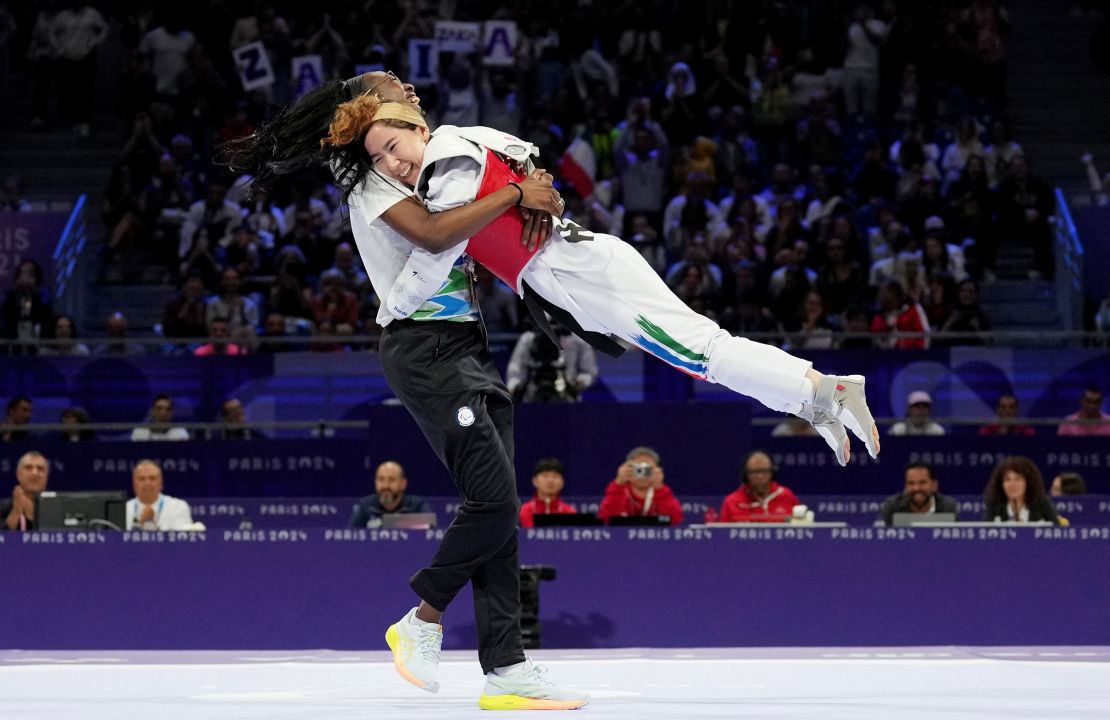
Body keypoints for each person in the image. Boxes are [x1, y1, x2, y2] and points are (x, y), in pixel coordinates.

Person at [225, 70, 586, 709]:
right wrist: (513, 196)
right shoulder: (363, 179)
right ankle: (422, 618)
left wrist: (534, 184)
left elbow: (511, 161)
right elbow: (435, 234)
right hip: (423, 351)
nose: (408, 97)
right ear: (368, 111)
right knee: (497, 501)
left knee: (497, 510)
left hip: (468, 342)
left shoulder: (434, 159)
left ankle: (507, 670)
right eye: (391, 90)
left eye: (407, 109)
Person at [336, 97, 880, 468]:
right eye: (379, 157)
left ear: (418, 129)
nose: (392, 161)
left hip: (584, 272)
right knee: (701, 356)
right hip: (573, 279)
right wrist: (530, 182)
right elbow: (524, 151)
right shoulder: (463, 136)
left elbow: (435, 248)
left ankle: (825, 391)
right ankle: (813, 401)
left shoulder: (444, 164)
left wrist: (393, 308)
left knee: (705, 353)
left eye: (394, 144)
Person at [505, 322, 598, 402]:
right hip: (532, 396)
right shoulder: (528, 338)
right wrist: (515, 387)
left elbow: (589, 371)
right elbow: (515, 370)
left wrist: (580, 382)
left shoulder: (577, 339)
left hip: (567, 397)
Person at [598, 446, 683, 525]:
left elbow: (676, 520)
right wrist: (619, 483)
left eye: (647, 469)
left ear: (657, 470)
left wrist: (660, 489)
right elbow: (605, 518)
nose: (643, 473)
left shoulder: (663, 493)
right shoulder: (618, 491)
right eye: (639, 469)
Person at [718, 451, 801, 522]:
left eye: (764, 471)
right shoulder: (732, 502)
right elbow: (723, 536)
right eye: (754, 472)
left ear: (773, 473)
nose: (760, 476)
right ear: (745, 475)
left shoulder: (786, 496)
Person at [348, 460, 433, 529]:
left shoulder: (416, 505)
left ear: (403, 483)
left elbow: (430, 526)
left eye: (391, 480)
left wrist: (383, 523)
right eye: (381, 479)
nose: (385, 485)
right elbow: (352, 535)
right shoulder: (366, 506)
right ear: (375, 482)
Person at [983, 456, 1061, 525]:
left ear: (1028, 482)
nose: (1012, 484)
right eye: (1007, 479)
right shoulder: (994, 506)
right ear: (1001, 484)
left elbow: (1056, 532)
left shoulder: (1042, 504)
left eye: (1018, 479)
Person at [878, 462, 959, 526]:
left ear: (934, 485)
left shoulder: (948, 507)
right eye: (911, 483)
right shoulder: (892, 506)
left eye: (922, 482)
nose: (917, 488)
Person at [126, 459, 195, 530]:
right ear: (134, 484)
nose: (147, 483)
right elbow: (117, 538)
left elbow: (183, 538)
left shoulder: (178, 506)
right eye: (142, 479)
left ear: (161, 483)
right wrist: (140, 523)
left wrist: (154, 525)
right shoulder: (123, 509)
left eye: (152, 478)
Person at [518, 457, 578, 528]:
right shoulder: (522, 512)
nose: (550, 480)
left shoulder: (570, 513)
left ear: (562, 482)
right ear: (535, 481)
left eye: (555, 476)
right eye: (545, 476)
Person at [1, 451, 49, 530]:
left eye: (40, 469)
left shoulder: (58, 507)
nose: (34, 473)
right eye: (28, 468)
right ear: (18, 474)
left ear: (46, 476)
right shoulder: (3, 508)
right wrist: (16, 511)